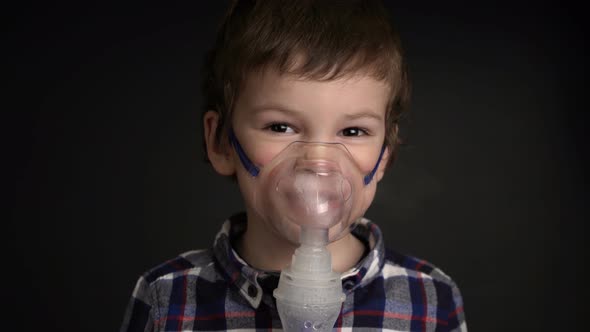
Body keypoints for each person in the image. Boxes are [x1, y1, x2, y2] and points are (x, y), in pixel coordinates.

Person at [120, 1, 467, 331]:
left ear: (384, 154)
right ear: (222, 142)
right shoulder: (168, 300)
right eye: (280, 127)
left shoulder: (429, 301)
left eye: (352, 131)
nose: (318, 162)